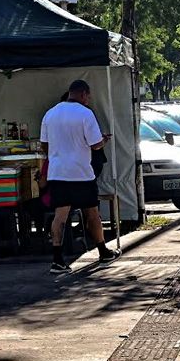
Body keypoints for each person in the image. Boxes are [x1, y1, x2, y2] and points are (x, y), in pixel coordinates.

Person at [40, 79, 119, 273]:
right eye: (88, 96)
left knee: (60, 216)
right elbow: (95, 145)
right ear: (83, 94)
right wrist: (104, 141)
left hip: (57, 173)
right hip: (81, 173)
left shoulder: (50, 114)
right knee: (92, 212)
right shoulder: (86, 113)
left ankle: (57, 259)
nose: (88, 99)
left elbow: (44, 145)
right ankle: (102, 251)